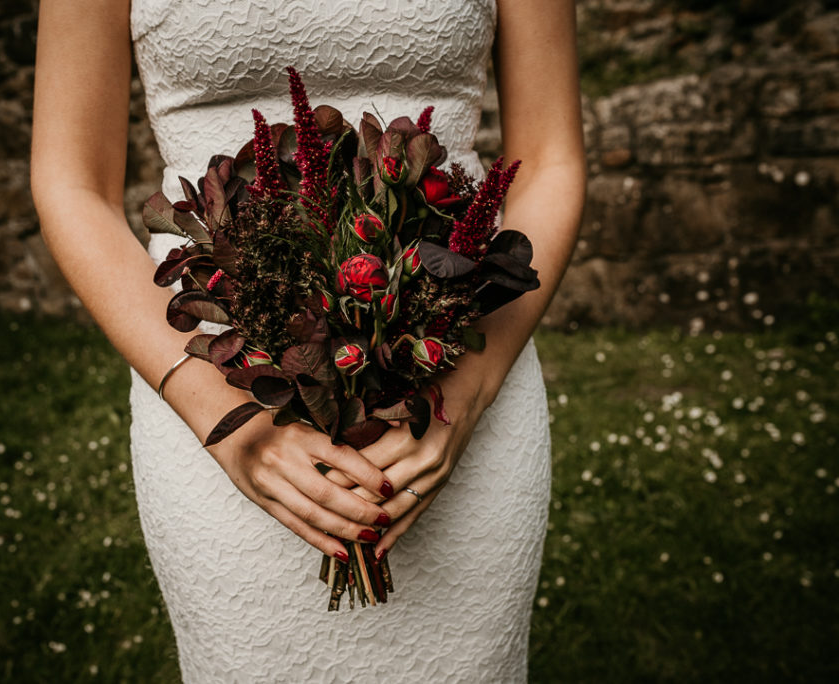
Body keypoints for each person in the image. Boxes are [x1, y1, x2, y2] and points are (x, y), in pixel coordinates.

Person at [31, 1, 585, 681]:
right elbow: (70, 183)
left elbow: (551, 158)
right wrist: (225, 425)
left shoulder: (466, 390)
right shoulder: (224, 421)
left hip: (458, 365)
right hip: (220, 399)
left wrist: (469, 392)